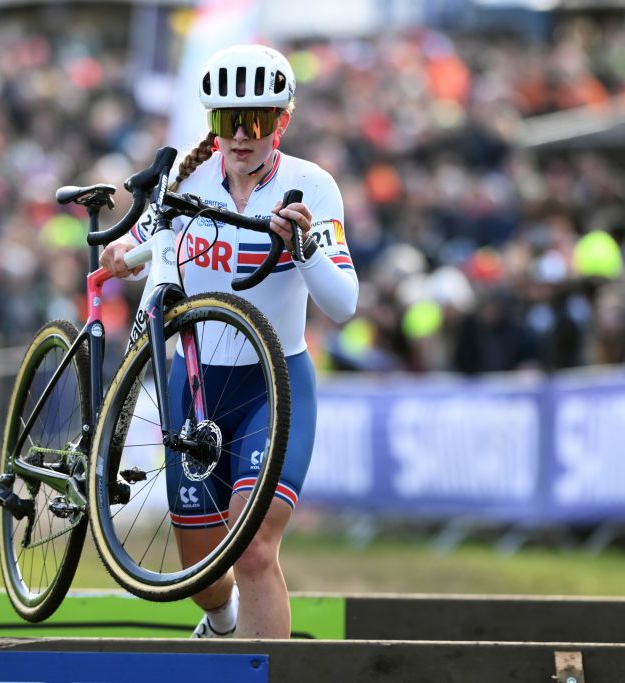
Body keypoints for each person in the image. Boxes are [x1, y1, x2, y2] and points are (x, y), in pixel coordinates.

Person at [100, 44, 358, 639]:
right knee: (203, 573)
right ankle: (221, 621)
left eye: (257, 120)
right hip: (194, 386)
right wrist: (121, 254)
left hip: (275, 382)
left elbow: (344, 305)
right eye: (226, 120)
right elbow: (142, 248)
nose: (241, 134)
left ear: (282, 121)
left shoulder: (311, 187)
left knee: (254, 551)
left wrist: (306, 248)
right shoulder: (184, 179)